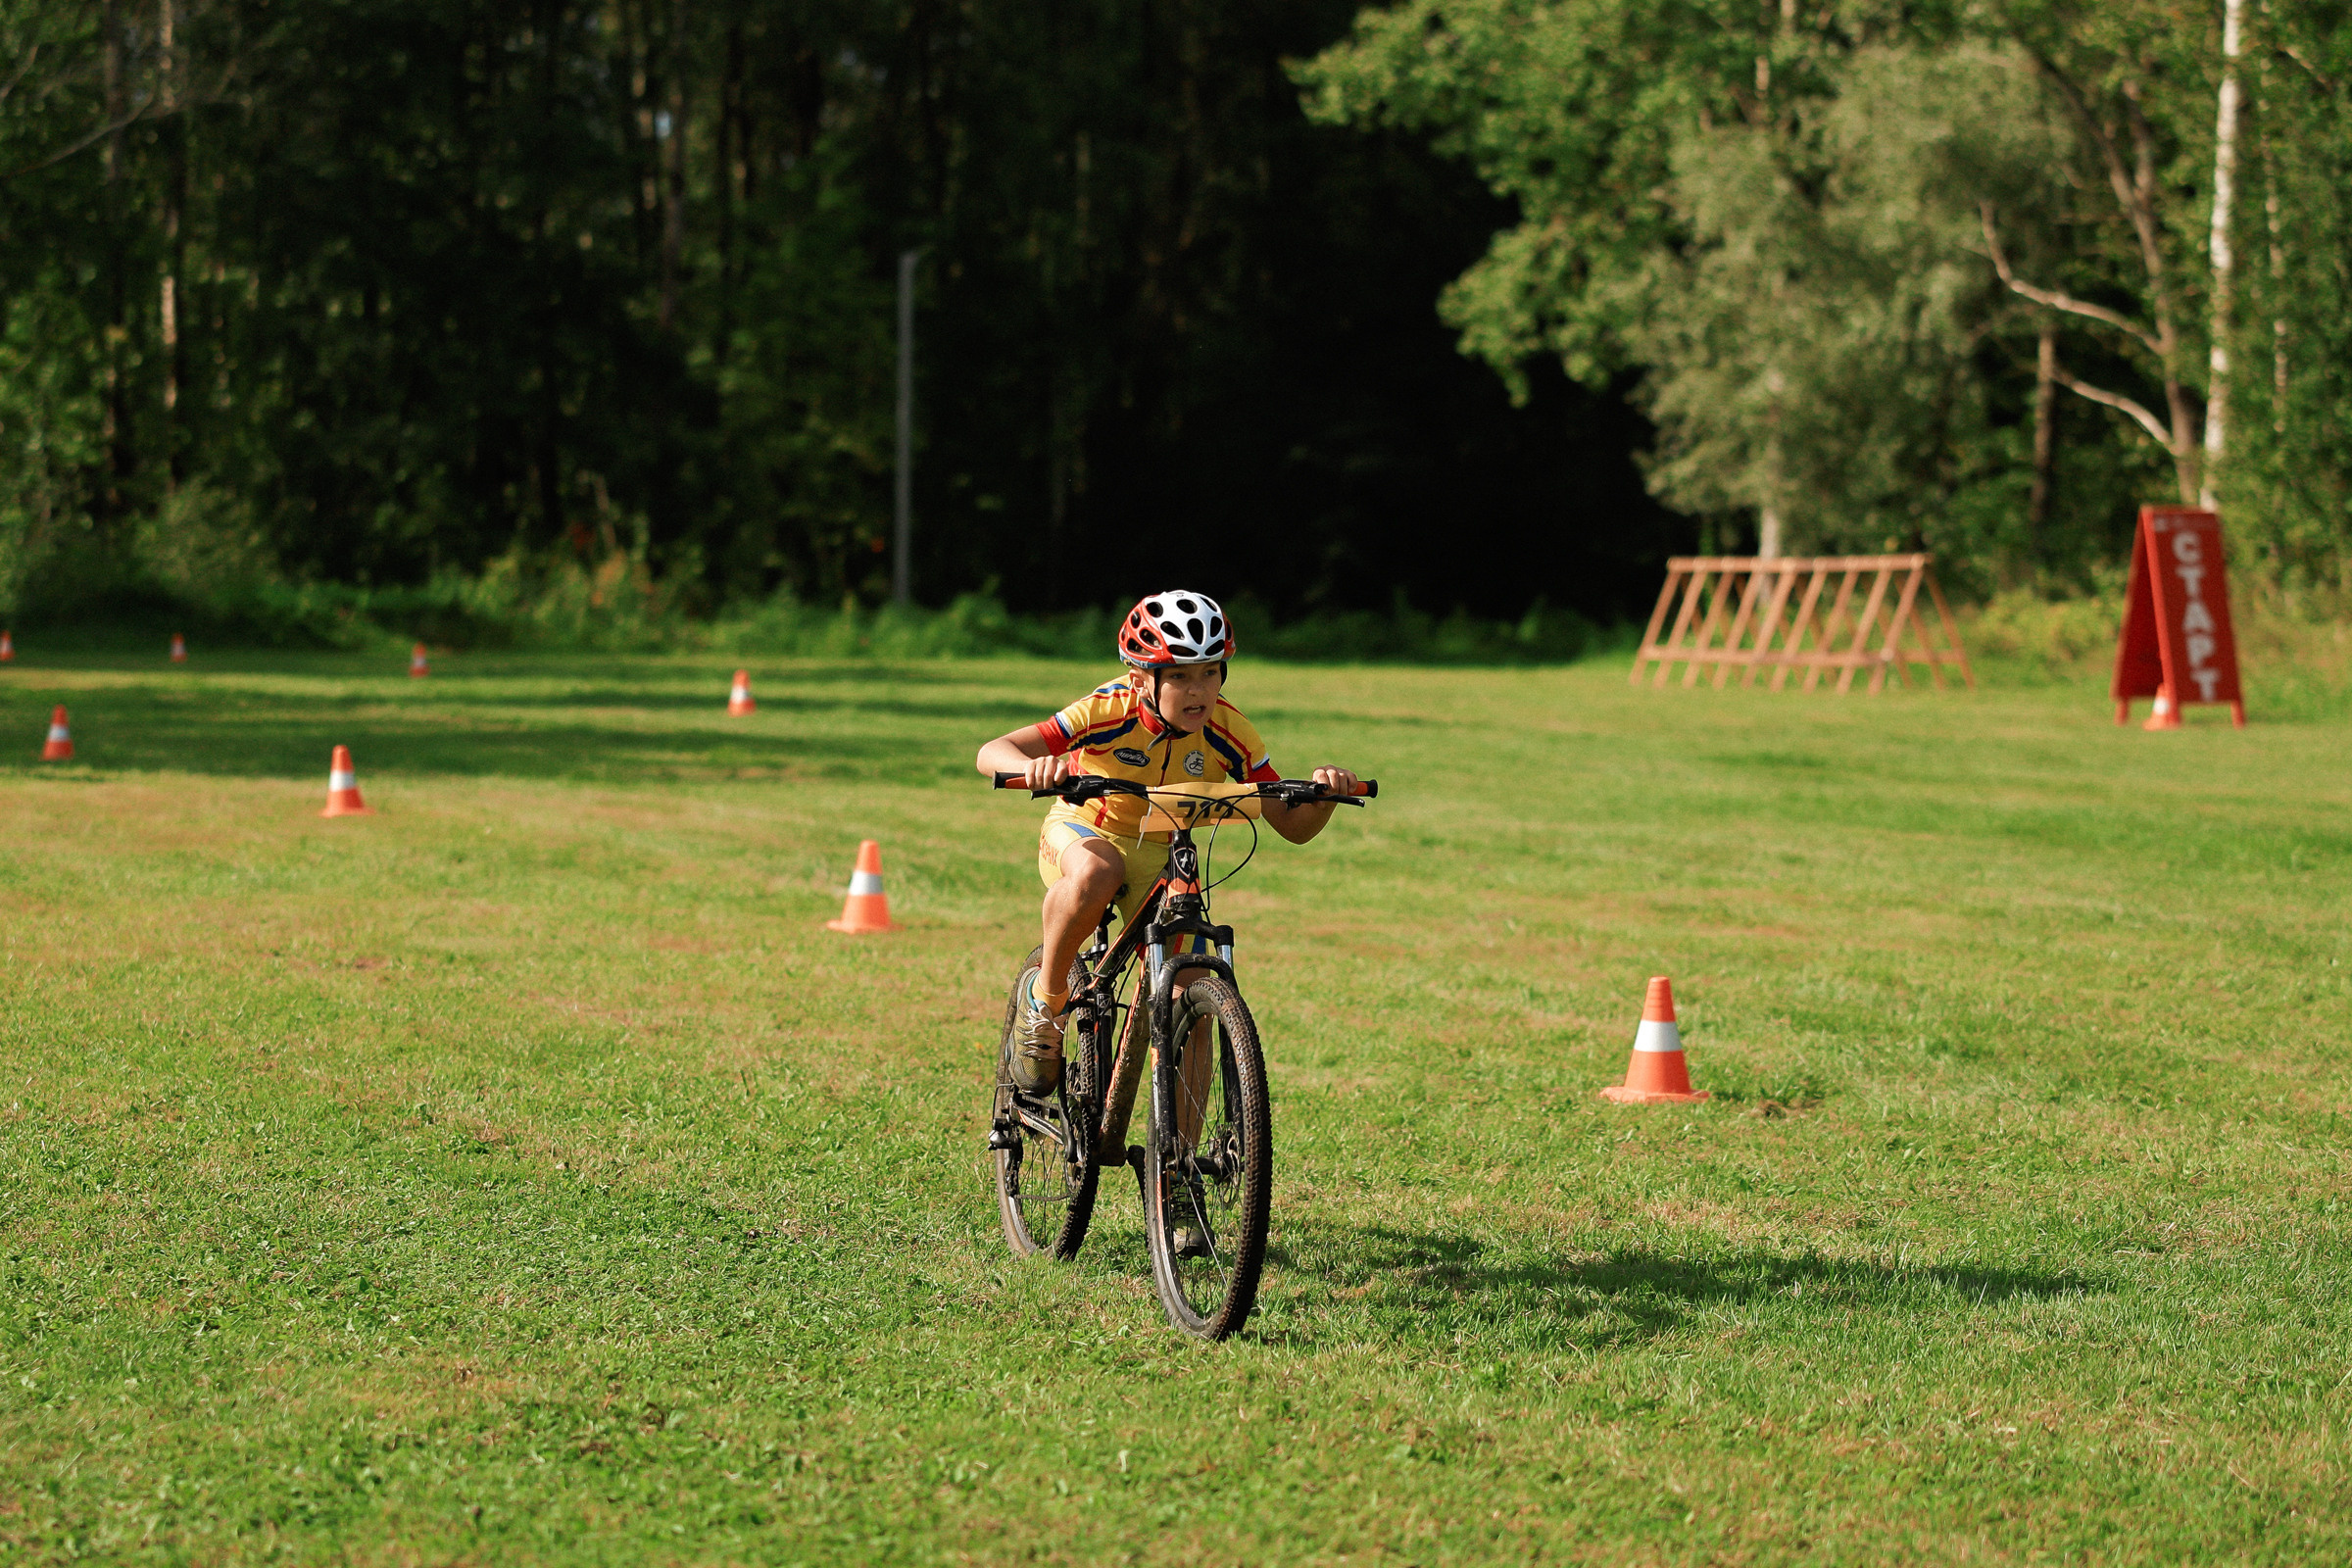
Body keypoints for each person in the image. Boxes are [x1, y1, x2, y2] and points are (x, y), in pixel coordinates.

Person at [974, 589, 1360, 1094]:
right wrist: (1033, 768)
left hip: (1165, 854)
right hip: (1087, 831)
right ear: (1141, 679)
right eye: (1178, 675)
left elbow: (1292, 825)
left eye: (1210, 671)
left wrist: (1325, 796)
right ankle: (1044, 1008)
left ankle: (1177, 1169)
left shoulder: (1229, 731)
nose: (1198, 689)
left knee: (1192, 1001)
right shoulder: (1107, 710)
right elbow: (992, 751)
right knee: (1098, 872)